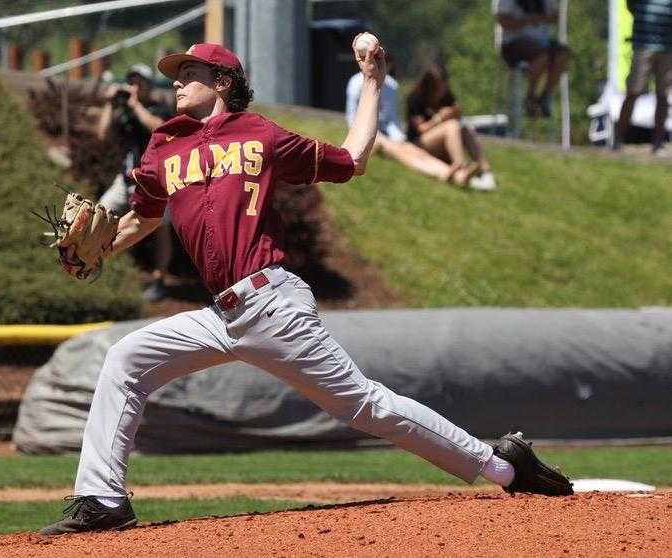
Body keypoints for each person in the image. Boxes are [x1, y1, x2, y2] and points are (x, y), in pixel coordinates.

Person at [40, 38, 572, 536]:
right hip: (218, 316)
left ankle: (503, 465)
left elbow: (353, 159)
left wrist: (371, 82)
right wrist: (99, 249)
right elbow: (143, 216)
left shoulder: (259, 134)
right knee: (125, 360)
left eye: (191, 72)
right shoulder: (164, 144)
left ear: (223, 81)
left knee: (364, 406)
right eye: (178, 74)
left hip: (270, 303)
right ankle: (103, 499)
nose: (177, 80)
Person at [96, 63, 173, 302]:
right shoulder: (126, 112)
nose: (135, 87)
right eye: (132, 82)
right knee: (100, 214)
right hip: (126, 178)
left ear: (149, 85)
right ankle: (100, 268)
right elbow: (102, 135)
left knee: (161, 229)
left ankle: (159, 280)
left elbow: (159, 129)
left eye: (139, 82)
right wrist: (110, 104)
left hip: (156, 181)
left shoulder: (159, 108)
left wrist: (136, 105)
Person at [345, 56, 482, 189]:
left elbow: (390, 119)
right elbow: (353, 117)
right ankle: (446, 173)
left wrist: (399, 137)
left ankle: (458, 173)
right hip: (370, 134)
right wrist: (366, 138)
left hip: (387, 134)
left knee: (415, 152)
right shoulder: (357, 82)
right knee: (406, 155)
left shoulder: (391, 85)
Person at [407, 63, 497, 190]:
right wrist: (439, 118)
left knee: (464, 128)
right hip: (418, 144)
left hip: (441, 143)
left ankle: (486, 171)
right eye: (439, 88)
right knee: (451, 126)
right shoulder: (415, 98)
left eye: (444, 87)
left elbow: (457, 116)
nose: (443, 92)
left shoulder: (446, 96)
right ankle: (461, 168)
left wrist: (456, 112)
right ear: (430, 87)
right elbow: (420, 129)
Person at [493, 0, 570, 118]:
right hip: (512, 44)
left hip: (542, 43)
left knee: (562, 54)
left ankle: (545, 96)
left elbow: (556, 17)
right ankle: (530, 97)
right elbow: (502, 20)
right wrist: (527, 21)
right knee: (542, 55)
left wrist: (543, 17)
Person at [614, 0, 672, 154]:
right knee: (633, 92)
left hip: (667, 47)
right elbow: (631, 5)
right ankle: (618, 140)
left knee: (663, 95)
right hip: (643, 45)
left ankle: (658, 143)